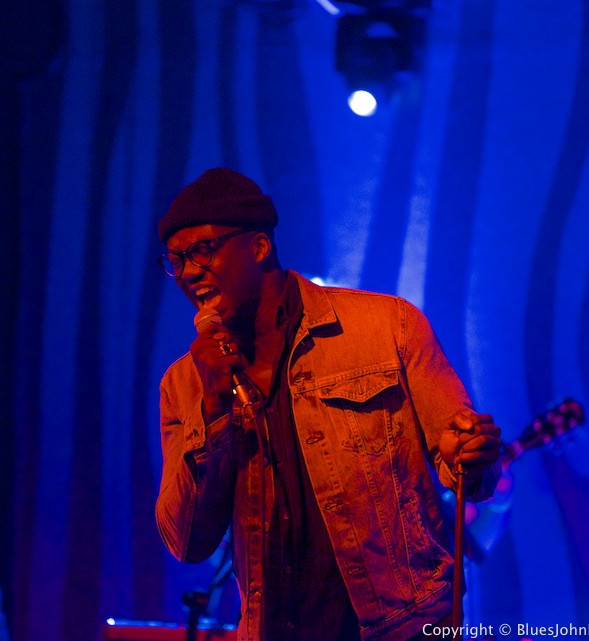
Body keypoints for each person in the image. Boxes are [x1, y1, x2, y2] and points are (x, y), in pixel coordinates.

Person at [154, 168, 502, 641]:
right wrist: (214, 406)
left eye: (203, 251)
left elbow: (468, 474)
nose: (190, 271)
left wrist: (473, 453)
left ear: (258, 248)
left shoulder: (388, 328)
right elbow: (187, 541)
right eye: (177, 260)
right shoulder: (183, 384)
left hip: (403, 628)